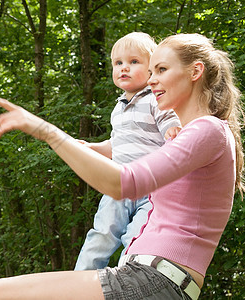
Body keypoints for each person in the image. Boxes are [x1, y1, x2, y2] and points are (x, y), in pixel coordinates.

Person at [0, 33, 245, 300]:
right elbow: (122, 157)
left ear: (195, 72)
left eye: (161, 70)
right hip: (147, 279)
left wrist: (46, 131)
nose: (151, 80)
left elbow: (123, 183)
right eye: (151, 72)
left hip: (154, 280)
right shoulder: (186, 137)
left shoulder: (207, 130)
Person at [75, 32, 181, 271]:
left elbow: (168, 122)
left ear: (152, 69)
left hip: (151, 187)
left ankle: (126, 279)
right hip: (118, 185)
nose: (124, 68)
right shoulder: (118, 108)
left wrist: (173, 130)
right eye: (118, 63)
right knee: (101, 234)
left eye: (134, 62)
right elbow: (116, 144)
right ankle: (79, 280)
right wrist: (91, 148)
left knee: (136, 237)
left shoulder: (155, 99)